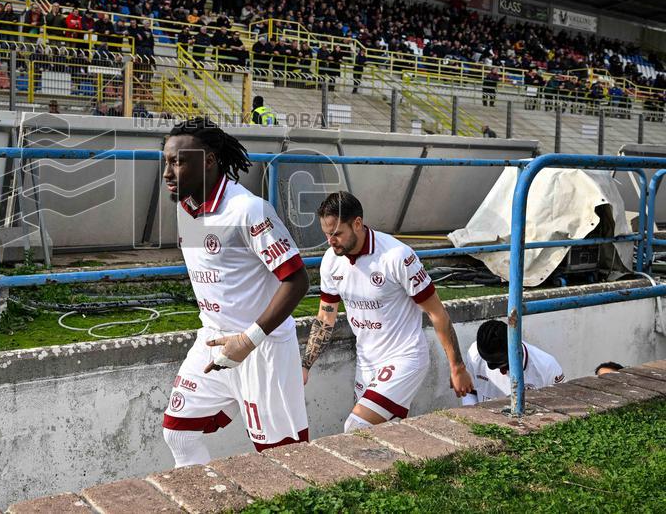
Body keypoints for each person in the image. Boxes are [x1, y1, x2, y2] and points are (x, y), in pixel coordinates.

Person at [161, 118, 309, 465]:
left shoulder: (248, 209)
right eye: (166, 161)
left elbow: (297, 280)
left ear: (209, 161)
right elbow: (216, 266)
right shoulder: (187, 210)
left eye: (178, 161)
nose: (168, 172)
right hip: (212, 341)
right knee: (178, 432)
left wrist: (248, 339)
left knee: (282, 458)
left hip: (262, 347)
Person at [302, 191, 473, 430]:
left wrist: (458, 367)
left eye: (337, 233)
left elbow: (437, 313)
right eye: (327, 234)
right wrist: (305, 365)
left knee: (356, 427)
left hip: (404, 358)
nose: (331, 241)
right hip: (366, 361)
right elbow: (325, 317)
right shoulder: (331, 261)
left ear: (358, 223)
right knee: (383, 435)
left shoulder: (397, 256)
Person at [461, 320, 564, 405]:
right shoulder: (474, 355)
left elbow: (560, 404)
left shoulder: (547, 366)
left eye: (505, 365)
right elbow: (471, 393)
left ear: (516, 346)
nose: (502, 372)